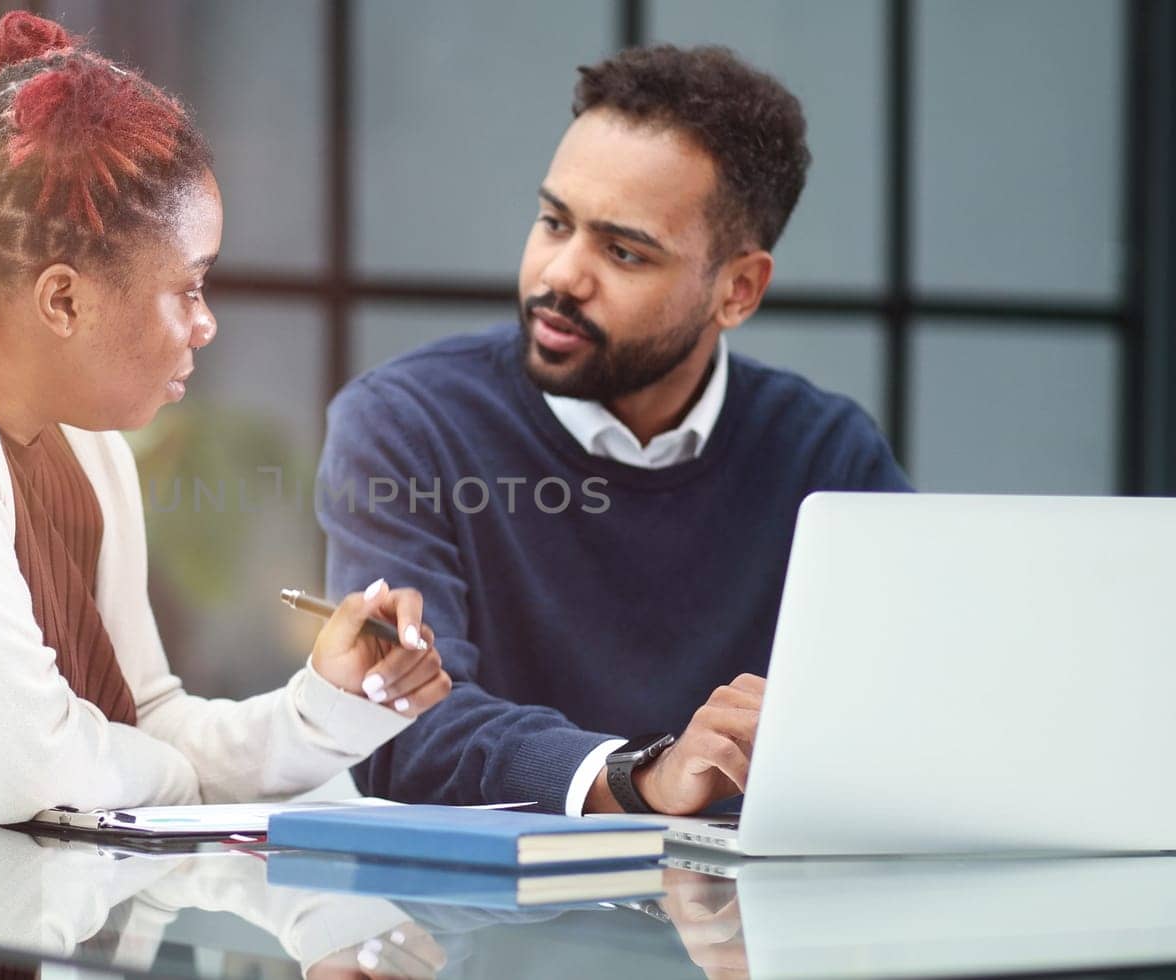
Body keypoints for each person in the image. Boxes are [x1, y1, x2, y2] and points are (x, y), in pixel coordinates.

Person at [0, 12, 449, 828]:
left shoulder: (87, 443)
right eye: (188, 289)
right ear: (63, 298)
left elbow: (140, 720)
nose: (206, 325)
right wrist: (168, 777)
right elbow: (10, 767)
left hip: (1, 932)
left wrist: (327, 701)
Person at [317, 45, 910, 818]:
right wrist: (638, 777)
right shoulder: (407, 425)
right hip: (488, 925)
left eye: (623, 251)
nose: (561, 275)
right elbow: (399, 726)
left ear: (738, 290)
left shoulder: (826, 453)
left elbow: (907, 718)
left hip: (747, 923)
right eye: (553, 221)